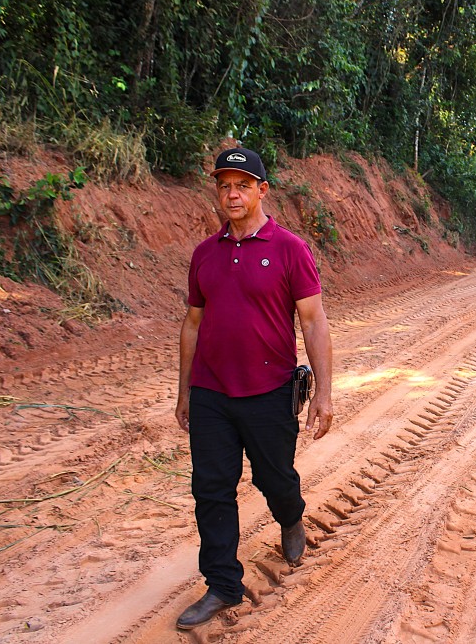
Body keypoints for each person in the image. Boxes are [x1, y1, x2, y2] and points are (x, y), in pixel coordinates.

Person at [174, 146, 334, 630]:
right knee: (212, 490)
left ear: (262, 190)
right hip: (211, 393)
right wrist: (184, 391)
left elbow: (314, 321)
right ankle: (223, 584)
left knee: (274, 478)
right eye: (224, 185)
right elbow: (192, 324)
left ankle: (290, 517)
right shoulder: (205, 254)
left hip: (268, 390)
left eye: (242, 184)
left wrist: (324, 393)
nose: (232, 193)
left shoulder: (290, 249)